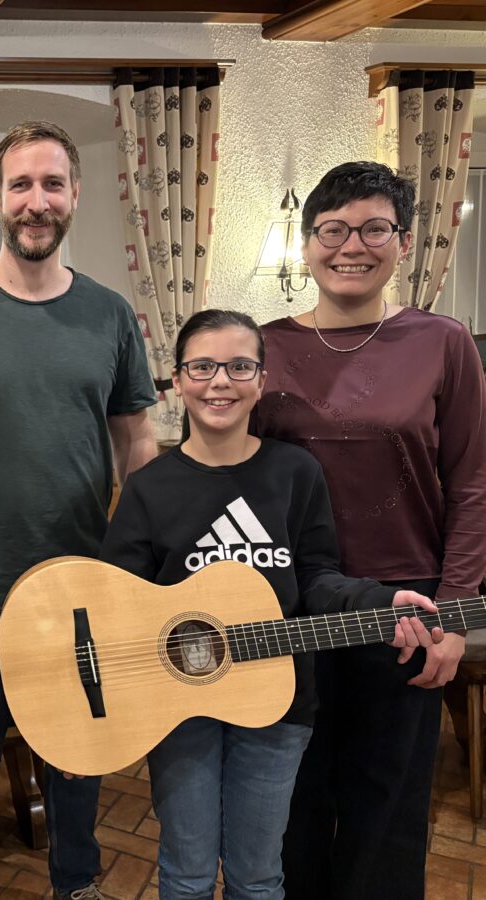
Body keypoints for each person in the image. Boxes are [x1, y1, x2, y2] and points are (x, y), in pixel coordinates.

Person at [0, 120, 158, 900]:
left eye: (52, 184)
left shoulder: (110, 315)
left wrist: (136, 565)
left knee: (78, 748)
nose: (36, 201)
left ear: (75, 195)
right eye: (21, 185)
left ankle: (76, 883)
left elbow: (136, 441)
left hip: (81, 577)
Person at [100, 308, 443, 900]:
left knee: (259, 876)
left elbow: (316, 578)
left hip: (278, 702)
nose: (220, 381)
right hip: (178, 708)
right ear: (177, 381)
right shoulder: (150, 485)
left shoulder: (295, 473)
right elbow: (117, 597)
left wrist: (380, 601)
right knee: (184, 873)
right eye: (202, 366)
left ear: (261, 381)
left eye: (239, 366)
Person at [254, 161, 486, 900]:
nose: (351, 245)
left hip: (407, 606)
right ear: (307, 241)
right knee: (293, 795)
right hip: (291, 607)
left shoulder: (443, 341)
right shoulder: (262, 347)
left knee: (386, 805)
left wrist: (453, 615)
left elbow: (474, 482)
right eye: (333, 229)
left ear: (405, 241)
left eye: (373, 228)